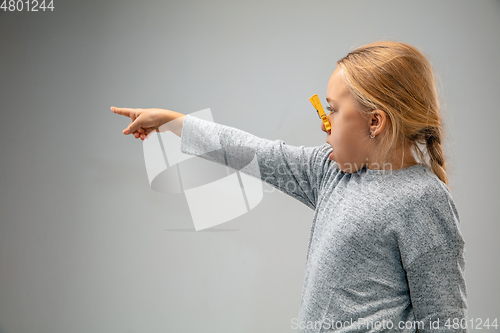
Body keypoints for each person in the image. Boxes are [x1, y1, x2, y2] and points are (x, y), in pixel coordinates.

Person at [111, 41, 467, 332]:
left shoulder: (423, 200)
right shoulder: (331, 173)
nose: (324, 124)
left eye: (332, 111)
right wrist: (175, 122)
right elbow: (256, 153)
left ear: (375, 122)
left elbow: (445, 323)